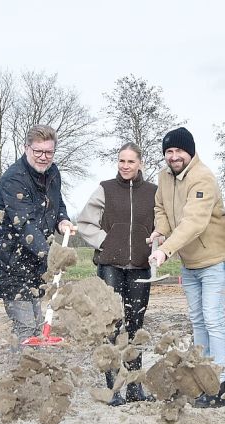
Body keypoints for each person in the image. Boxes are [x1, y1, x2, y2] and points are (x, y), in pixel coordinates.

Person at [149, 127, 225, 408]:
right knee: (197, 319)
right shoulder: (164, 176)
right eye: (169, 152)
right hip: (190, 261)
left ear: (191, 151)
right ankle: (201, 373)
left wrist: (165, 250)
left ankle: (218, 382)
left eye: (179, 151)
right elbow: (161, 208)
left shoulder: (203, 178)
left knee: (213, 318)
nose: (174, 157)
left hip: (213, 259)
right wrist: (160, 231)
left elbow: (194, 222)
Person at [76, 142, 156, 406]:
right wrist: (106, 241)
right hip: (110, 265)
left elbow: (163, 225)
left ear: (140, 163)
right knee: (112, 326)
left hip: (140, 267)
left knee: (136, 326)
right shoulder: (105, 189)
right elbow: (86, 222)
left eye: (130, 161)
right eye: (121, 161)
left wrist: (156, 245)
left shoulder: (153, 193)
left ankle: (135, 387)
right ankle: (114, 389)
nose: (125, 166)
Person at [0, 125, 75, 345]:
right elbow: (25, 225)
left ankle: (34, 373)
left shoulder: (52, 172)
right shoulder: (13, 179)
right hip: (11, 263)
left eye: (49, 152)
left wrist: (62, 219)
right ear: (26, 148)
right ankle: (23, 376)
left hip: (35, 262)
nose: (44, 157)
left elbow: (57, 202)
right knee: (25, 327)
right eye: (38, 151)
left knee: (37, 324)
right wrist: (52, 255)